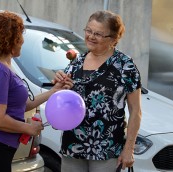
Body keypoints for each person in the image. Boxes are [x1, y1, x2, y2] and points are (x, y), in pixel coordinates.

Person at [0, 11, 72, 172]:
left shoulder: (2, 66)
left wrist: (53, 91)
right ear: (9, 40)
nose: (22, 41)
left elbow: (23, 105)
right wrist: (28, 128)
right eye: (20, 37)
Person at [53, 10, 142, 172]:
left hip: (106, 149)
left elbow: (135, 111)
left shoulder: (125, 65)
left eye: (99, 34)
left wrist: (129, 149)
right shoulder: (76, 62)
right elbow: (65, 100)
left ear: (114, 39)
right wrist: (59, 83)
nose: (91, 36)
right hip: (73, 145)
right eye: (88, 31)